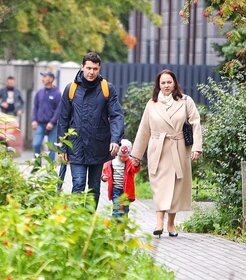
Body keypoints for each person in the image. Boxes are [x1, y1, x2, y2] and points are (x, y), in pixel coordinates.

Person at [131, 68, 202, 237]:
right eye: (163, 82)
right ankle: (158, 223)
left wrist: (197, 147)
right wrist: (136, 155)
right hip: (158, 148)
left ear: (175, 83)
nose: (166, 85)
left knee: (177, 186)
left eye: (169, 82)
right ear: (158, 85)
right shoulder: (151, 104)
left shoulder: (186, 101)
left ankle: (171, 223)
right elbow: (144, 130)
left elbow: (195, 123)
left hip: (178, 148)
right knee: (160, 185)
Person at [57, 51, 124, 208]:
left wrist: (115, 139)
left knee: (94, 189)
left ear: (99, 68)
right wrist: (63, 147)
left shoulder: (107, 89)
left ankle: (88, 223)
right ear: (82, 67)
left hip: (98, 146)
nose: (91, 72)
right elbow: (63, 119)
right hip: (76, 146)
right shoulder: (71, 89)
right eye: (88, 68)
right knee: (78, 185)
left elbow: (116, 116)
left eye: (95, 68)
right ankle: (77, 223)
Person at [31, 71, 61, 165]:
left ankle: (50, 168)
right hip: (40, 124)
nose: (43, 78)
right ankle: (36, 165)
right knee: (36, 144)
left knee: (51, 147)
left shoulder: (57, 93)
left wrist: (52, 122)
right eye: (42, 76)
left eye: (45, 76)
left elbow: (59, 110)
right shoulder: (39, 93)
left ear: (51, 79)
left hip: (53, 126)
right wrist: (34, 120)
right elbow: (35, 107)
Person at [101, 139, 137, 218]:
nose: (122, 158)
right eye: (120, 156)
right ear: (117, 153)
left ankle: (121, 228)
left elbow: (135, 170)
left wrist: (136, 164)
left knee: (124, 210)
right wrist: (104, 177)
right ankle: (115, 227)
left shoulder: (130, 163)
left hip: (126, 191)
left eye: (125, 157)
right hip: (116, 190)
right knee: (117, 208)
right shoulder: (111, 163)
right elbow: (105, 172)